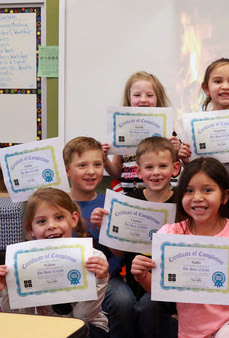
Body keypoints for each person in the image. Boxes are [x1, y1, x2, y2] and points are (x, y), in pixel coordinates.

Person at [130, 157, 229, 338]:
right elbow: (159, 290)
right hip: (190, 329)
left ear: (224, 196)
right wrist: (142, 275)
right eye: (189, 191)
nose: (197, 198)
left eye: (207, 190)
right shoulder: (170, 235)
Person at [91, 136, 181, 338]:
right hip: (135, 283)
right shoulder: (129, 202)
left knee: (149, 307)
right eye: (149, 167)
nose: (156, 172)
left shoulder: (182, 202)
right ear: (139, 172)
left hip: (171, 283)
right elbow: (119, 252)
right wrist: (105, 228)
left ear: (175, 169)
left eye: (162, 166)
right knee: (135, 307)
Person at [179, 58, 229, 259]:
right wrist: (185, 161)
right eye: (217, 81)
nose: (225, 86)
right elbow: (193, 172)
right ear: (206, 88)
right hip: (206, 210)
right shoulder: (194, 124)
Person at [0, 188, 109, 338]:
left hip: (86, 327)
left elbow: (83, 317)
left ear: (73, 219)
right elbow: (20, 318)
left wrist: (100, 279)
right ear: (30, 229)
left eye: (59, 217)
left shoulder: (93, 258)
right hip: (42, 328)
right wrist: (4, 290)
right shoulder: (21, 264)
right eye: (41, 221)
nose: (51, 226)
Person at [63, 136, 132, 338]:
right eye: (82, 165)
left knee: (124, 301)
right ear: (68, 170)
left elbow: (120, 254)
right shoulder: (57, 204)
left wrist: (105, 274)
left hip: (107, 277)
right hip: (64, 277)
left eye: (97, 164)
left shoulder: (112, 204)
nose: (91, 171)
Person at [102, 71, 180, 194]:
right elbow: (116, 172)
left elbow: (175, 169)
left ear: (158, 98)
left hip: (161, 195)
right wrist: (105, 160)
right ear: (129, 98)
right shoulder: (122, 130)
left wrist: (176, 151)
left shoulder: (168, 129)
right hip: (130, 197)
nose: (143, 100)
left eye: (150, 95)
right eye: (137, 95)